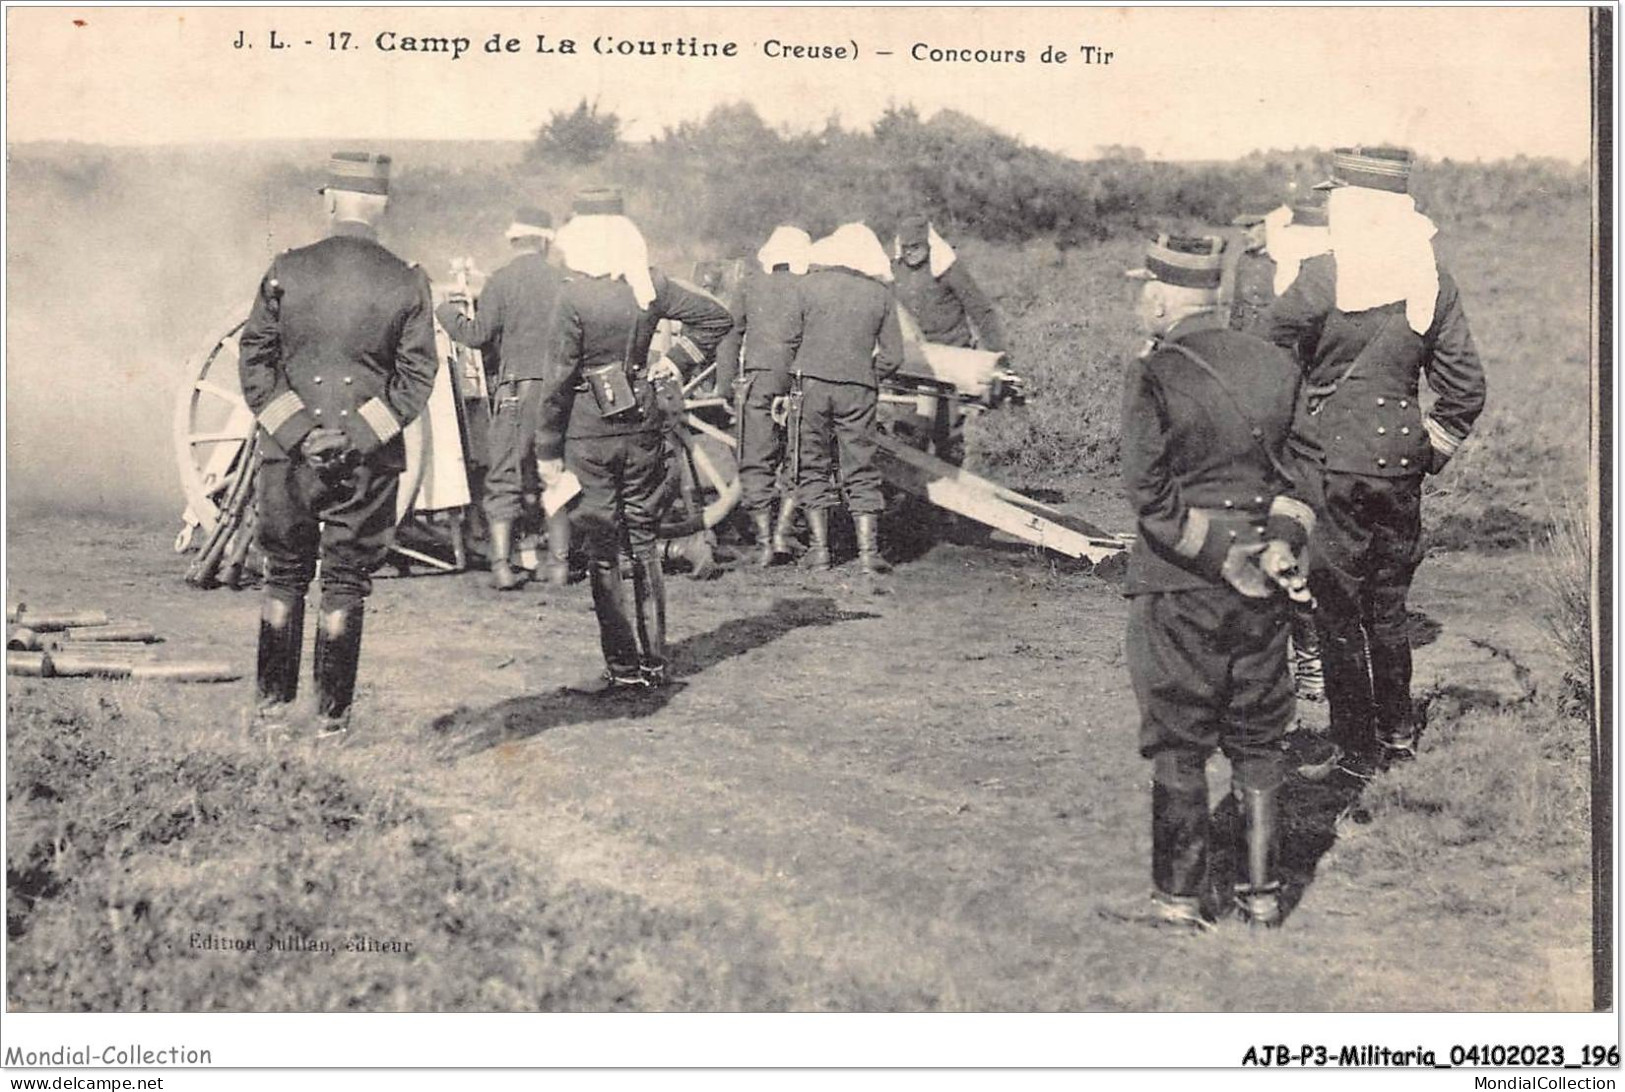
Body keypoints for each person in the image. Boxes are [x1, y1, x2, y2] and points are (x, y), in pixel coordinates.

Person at [1264, 146, 1487, 774]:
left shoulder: (1324, 274)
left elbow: (1266, 349)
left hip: (1327, 465)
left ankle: (1355, 748)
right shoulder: (1431, 278)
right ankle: (1398, 735)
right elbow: (1466, 389)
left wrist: (1294, 409)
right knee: (1387, 607)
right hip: (1399, 467)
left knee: (1336, 610)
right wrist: (1427, 449)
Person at [1120, 234, 1318, 930]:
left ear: (1166, 297)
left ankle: (1178, 902)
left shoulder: (1154, 371)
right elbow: (1304, 476)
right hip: (1266, 581)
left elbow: (1149, 497)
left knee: (1179, 737)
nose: (1138, 301)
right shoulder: (1274, 362)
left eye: (1143, 289)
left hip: (1179, 583)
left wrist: (1217, 555)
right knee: (1258, 736)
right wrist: (1278, 548)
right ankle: (1261, 898)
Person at [239, 151, 439, 738]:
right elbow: (416, 379)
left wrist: (303, 435)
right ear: (380, 208)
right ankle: (331, 725)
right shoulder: (408, 280)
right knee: (347, 581)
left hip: (288, 455)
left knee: (284, 574)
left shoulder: (286, 268)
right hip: (368, 460)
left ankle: (272, 715)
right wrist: (352, 437)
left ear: (330, 201)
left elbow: (255, 360)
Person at [535, 188, 734, 691]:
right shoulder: (651, 286)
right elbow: (718, 319)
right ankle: (655, 664)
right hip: (643, 426)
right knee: (643, 542)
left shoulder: (573, 296)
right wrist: (679, 360)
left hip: (588, 433)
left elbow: (558, 380)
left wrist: (547, 450)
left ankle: (623, 668)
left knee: (604, 547)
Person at [1225, 199, 1334, 717]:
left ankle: (1311, 655)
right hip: (1260, 405)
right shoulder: (1259, 272)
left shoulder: (1314, 281)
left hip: (1306, 417)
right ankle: (1269, 662)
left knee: (1299, 536)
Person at [437, 206, 570, 589]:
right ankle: (559, 566)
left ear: (515, 240)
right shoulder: (562, 280)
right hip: (560, 391)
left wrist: (445, 310)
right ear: (545, 240)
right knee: (555, 473)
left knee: (504, 476)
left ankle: (501, 567)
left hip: (517, 391)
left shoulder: (501, 280)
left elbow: (477, 335)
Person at [787, 223, 905, 574]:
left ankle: (820, 551)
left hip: (811, 385)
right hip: (859, 389)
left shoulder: (807, 286)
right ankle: (868, 554)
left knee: (811, 462)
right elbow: (894, 356)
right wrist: (867, 374)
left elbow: (790, 338)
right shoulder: (880, 294)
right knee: (861, 465)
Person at [713, 225, 809, 566]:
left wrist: (725, 384)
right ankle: (785, 531)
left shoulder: (749, 285)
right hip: (801, 379)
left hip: (759, 380)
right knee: (798, 455)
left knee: (756, 457)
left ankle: (765, 540)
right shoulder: (809, 287)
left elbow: (728, 335)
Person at [889, 214, 1008, 466]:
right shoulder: (894, 270)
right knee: (908, 429)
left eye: (916, 247)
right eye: (906, 248)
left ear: (928, 243)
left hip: (950, 356)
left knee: (948, 431)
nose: (910, 253)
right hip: (911, 360)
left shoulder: (947, 268)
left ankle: (949, 495)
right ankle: (911, 497)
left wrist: (997, 354)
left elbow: (980, 310)